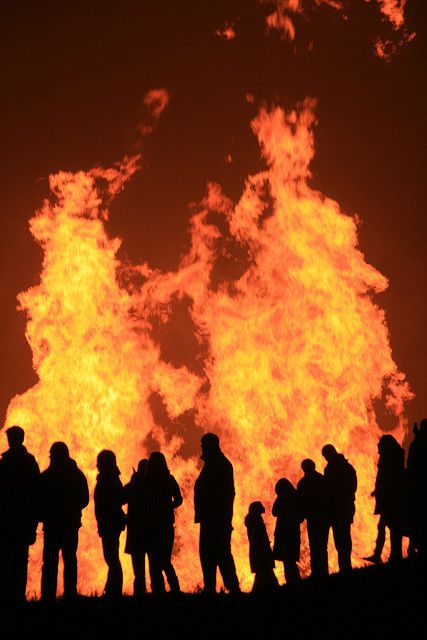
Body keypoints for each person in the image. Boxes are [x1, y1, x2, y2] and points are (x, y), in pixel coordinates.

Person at [39, 441, 89, 602]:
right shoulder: (77, 475)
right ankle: (69, 595)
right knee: (68, 559)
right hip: (69, 525)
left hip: (54, 525)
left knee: (51, 562)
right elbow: (84, 499)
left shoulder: (47, 476)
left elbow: (38, 501)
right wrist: (73, 510)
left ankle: (48, 596)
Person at [194, 432, 241, 593]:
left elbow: (226, 494)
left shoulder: (220, 465)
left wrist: (224, 519)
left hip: (216, 520)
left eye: (203, 444)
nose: (201, 447)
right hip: (210, 519)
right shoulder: (214, 464)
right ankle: (211, 588)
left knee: (220, 555)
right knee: (209, 555)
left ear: (211, 445)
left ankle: (232, 588)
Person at [0, 425, 40, 604]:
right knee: (17, 562)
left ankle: (10, 598)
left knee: (10, 562)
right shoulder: (29, 462)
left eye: (12, 438)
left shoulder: (6, 463)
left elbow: (35, 494)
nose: (10, 441)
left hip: (12, 521)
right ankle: (16, 598)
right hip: (18, 521)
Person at [144, 451, 182, 593]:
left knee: (154, 562)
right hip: (165, 526)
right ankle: (175, 590)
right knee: (165, 561)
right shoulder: (169, 479)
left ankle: (158, 591)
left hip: (151, 526)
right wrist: (169, 506)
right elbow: (179, 499)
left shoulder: (146, 481)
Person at [364, 435, 406, 564]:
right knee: (386, 526)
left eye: (380, 444)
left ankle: (393, 555)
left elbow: (390, 479)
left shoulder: (391, 458)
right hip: (386, 497)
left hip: (391, 499)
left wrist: (382, 491)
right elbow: (384, 478)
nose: (378, 446)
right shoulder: (391, 457)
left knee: (393, 527)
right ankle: (383, 554)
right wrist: (377, 491)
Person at [94, 450, 126, 599]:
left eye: (100, 462)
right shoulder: (110, 478)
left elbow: (118, 499)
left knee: (111, 557)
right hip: (109, 523)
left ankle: (114, 591)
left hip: (110, 523)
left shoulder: (109, 480)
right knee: (111, 557)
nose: (97, 465)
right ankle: (111, 589)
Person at [321, 443, 357, 572]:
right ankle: (345, 566)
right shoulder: (345, 467)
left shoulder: (333, 469)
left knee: (342, 539)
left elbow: (329, 489)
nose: (326, 458)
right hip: (343, 507)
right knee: (343, 538)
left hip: (339, 508)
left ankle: (345, 567)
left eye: (326, 455)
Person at [297, 458, 329, 578]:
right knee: (322, 546)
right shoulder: (322, 479)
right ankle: (323, 572)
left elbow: (302, 503)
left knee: (315, 546)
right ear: (314, 466)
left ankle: (317, 572)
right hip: (324, 517)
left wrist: (301, 516)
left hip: (313, 518)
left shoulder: (302, 484)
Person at [123, 458, 148, 597]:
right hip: (150, 531)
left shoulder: (133, 485)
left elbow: (120, 498)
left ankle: (139, 594)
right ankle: (158, 592)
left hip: (136, 532)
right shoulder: (153, 485)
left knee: (138, 571)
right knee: (155, 567)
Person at [272, 478, 303, 585]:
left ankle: (292, 582)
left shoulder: (282, 498)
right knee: (291, 559)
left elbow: (274, 511)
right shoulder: (296, 495)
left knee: (287, 560)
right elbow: (301, 515)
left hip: (283, 531)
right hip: (293, 530)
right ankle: (295, 581)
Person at [244, 501, 279, 593]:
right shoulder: (255, 520)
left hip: (258, 549)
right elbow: (259, 536)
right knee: (265, 571)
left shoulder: (253, 519)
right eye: (261, 506)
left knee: (263, 573)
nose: (263, 508)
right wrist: (266, 546)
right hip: (261, 550)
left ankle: (262, 590)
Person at [407, 419, 427, 556]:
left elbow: (411, 466)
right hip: (418, 487)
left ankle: (416, 547)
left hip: (419, 487)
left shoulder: (417, 444)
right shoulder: (418, 444)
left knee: (418, 518)